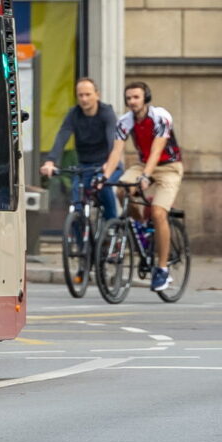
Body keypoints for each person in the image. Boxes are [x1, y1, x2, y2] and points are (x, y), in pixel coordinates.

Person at [103, 80, 183, 292]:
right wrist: (104, 176)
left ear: (146, 98)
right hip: (142, 164)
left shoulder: (161, 117)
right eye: (129, 98)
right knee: (121, 189)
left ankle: (162, 269)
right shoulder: (125, 121)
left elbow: (157, 150)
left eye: (136, 97)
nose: (132, 102)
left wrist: (147, 176)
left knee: (158, 212)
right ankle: (140, 227)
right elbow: (116, 151)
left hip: (169, 167)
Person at [38, 77, 118, 222]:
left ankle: (112, 226)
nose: (84, 99)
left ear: (97, 95)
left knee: (104, 186)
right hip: (85, 166)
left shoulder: (107, 113)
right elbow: (62, 135)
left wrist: (108, 164)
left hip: (107, 164)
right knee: (76, 205)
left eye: (88, 94)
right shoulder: (74, 114)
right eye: (80, 95)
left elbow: (113, 141)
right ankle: (80, 242)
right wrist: (50, 161)